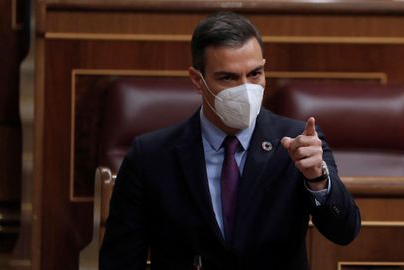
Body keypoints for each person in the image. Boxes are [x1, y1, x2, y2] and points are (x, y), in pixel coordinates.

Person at [100, 11, 360, 270]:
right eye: (228, 77)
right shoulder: (150, 156)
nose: (246, 89)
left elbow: (344, 232)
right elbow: (120, 261)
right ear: (197, 80)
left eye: (255, 74)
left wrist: (317, 179)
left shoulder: (299, 142)